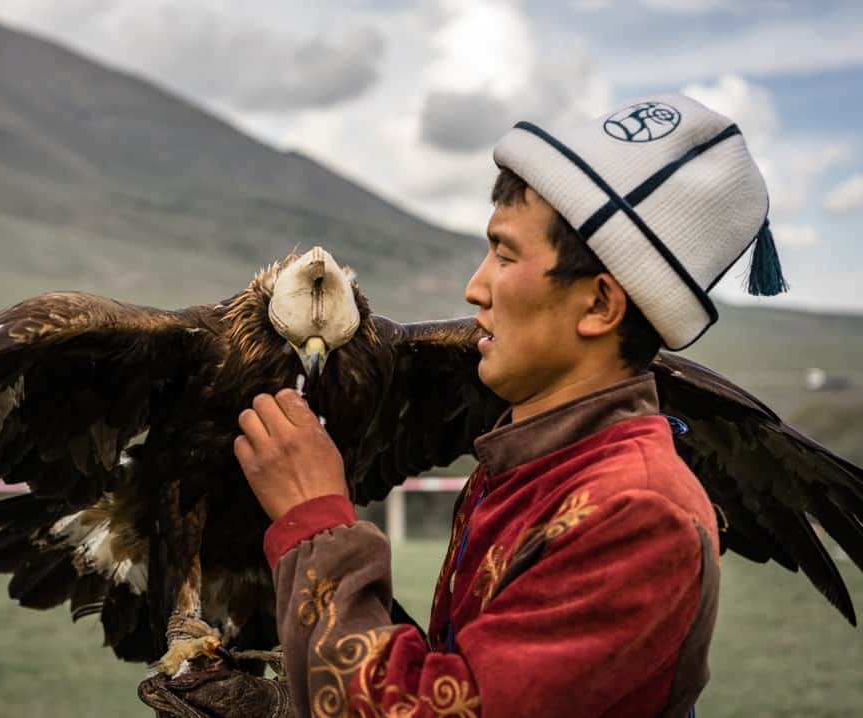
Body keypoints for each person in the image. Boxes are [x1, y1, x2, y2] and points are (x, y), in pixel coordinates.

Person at [230, 94, 786, 717]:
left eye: (505, 254)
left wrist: (317, 523)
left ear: (601, 305)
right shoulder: (541, 466)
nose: (475, 287)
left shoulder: (636, 512)